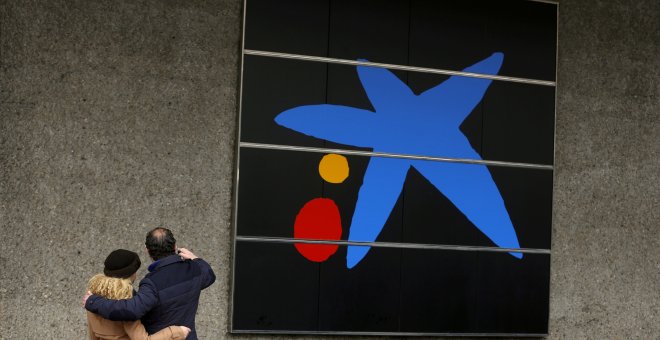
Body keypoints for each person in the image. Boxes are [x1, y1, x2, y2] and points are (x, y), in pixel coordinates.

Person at [85, 228, 215, 340]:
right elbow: (209, 276)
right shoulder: (194, 270)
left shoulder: (151, 283)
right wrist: (195, 258)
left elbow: (131, 310)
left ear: (148, 251)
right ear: (175, 246)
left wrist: (92, 301)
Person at [86, 249, 190, 340]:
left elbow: (93, 336)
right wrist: (177, 332)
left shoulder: (92, 296)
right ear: (131, 273)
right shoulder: (126, 301)